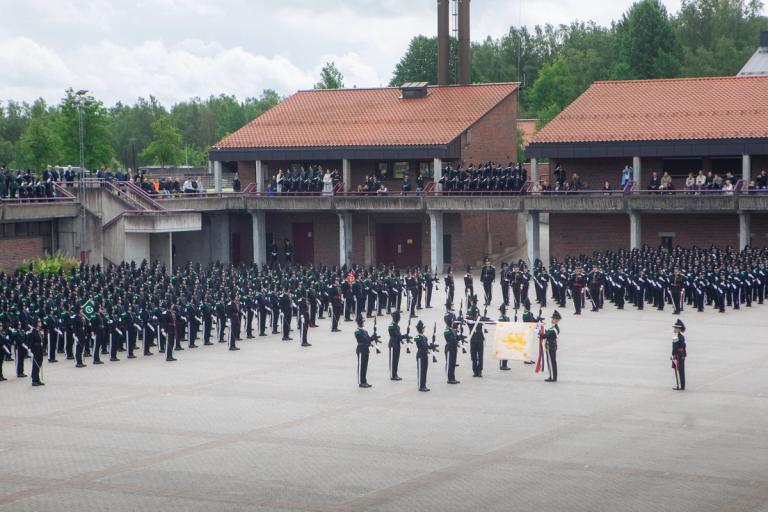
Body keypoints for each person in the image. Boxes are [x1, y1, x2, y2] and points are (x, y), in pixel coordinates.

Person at [540, 310, 561, 382]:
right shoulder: (553, 327)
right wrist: (541, 327)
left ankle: (552, 377)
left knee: (551, 362)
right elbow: (547, 332)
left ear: (557, 320)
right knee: (552, 362)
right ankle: (552, 376)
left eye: (553, 319)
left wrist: (539, 334)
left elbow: (546, 335)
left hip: (550, 346)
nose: (552, 320)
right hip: (551, 346)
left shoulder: (554, 329)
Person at [354, 316, 375, 388]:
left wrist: (373, 337)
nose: (363, 323)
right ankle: (361, 382)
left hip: (366, 349)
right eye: (362, 322)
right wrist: (370, 339)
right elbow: (363, 339)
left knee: (365, 366)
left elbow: (368, 339)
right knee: (361, 366)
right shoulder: (357, 331)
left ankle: (364, 381)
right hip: (361, 349)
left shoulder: (365, 331)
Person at [387, 311, 408, 380]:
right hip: (393, 344)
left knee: (396, 360)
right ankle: (392, 375)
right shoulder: (391, 326)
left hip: (397, 344)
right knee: (393, 360)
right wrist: (403, 336)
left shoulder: (397, 326)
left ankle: (395, 373)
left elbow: (399, 336)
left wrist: (404, 337)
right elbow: (397, 335)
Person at [443, 309, 460, 384]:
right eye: (452, 321)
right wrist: (456, 339)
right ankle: (449, 378)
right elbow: (451, 339)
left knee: (453, 363)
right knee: (450, 363)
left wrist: (460, 337)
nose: (453, 322)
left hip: (453, 348)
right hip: (449, 348)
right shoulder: (447, 330)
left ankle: (453, 377)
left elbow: (456, 337)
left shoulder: (452, 329)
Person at [671, 319, 687, 390]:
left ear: (678, 329)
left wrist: (673, 355)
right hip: (682, 354)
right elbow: (684, 346)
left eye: (675, 328)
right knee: (681, 370)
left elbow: (674, 348)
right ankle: (682, 385)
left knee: (680, 370)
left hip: (678, 355)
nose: (674, 329)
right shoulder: (682, 337)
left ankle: (680, 385)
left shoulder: (676, 337)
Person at [497, 304, 510, 371]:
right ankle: (504, 365)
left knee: (505, 351)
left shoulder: (503, 317)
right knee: (505, 351)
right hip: (504, 336)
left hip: (504, 335)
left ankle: (504, 364)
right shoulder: (503, 318)